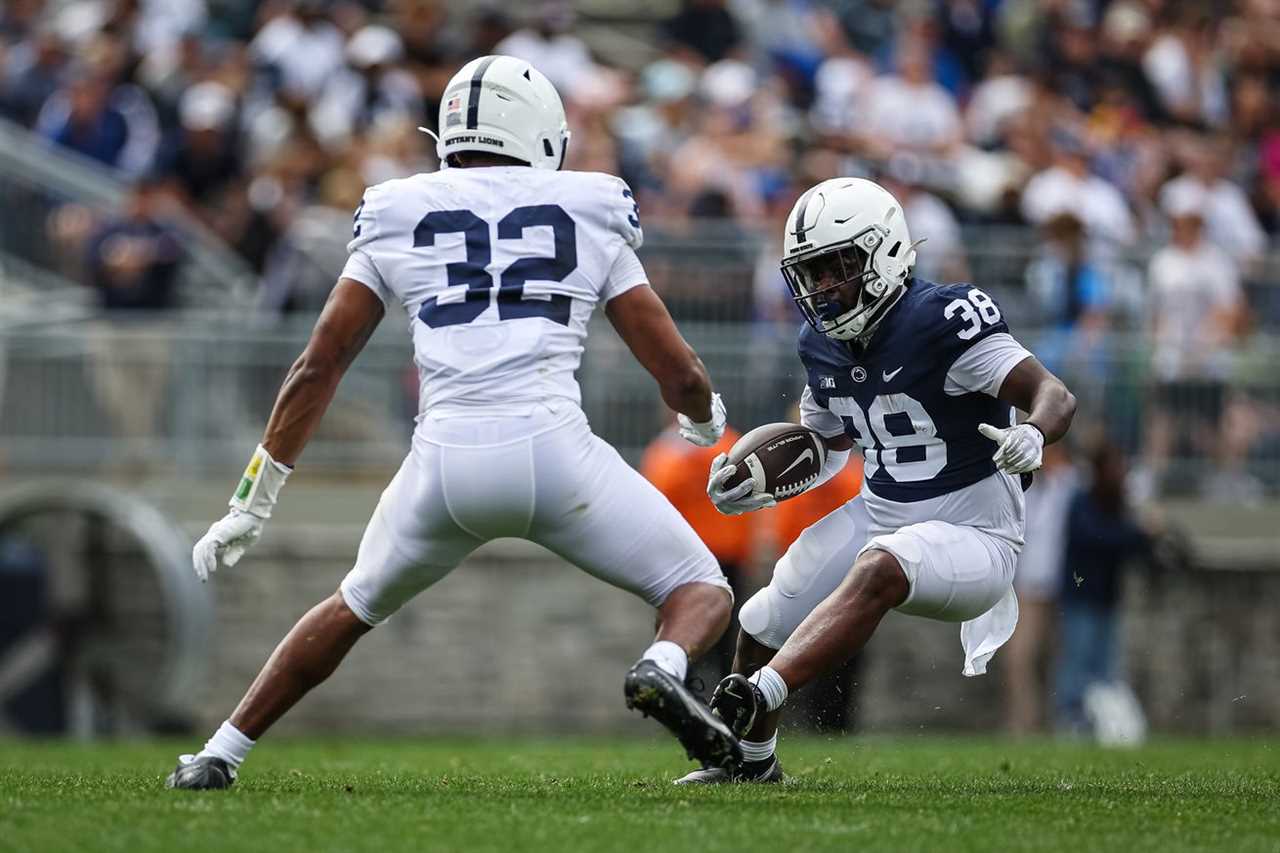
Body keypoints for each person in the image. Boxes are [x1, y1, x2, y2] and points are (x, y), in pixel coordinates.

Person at [166, 56, 740, 790]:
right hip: (556, 453)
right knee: (701, 589)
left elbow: (319, 364)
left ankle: (219, 753)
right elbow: (677, 368)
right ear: (539, 133)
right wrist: (704, 416)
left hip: (444, 462)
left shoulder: (399, 207)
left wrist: (253, 498)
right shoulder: (589, 203)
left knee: (350, 606)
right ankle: (661, 668)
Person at [678, 178, 1076, 783]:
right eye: (810, 274)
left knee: (880, 564)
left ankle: (765, 691)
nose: (822, 289)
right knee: (762, 620)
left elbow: (1053, 393)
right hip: (882, 510)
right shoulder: (819, 342)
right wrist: (756, 477)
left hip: (976, 528)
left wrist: (1035, 434)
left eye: (835, 269)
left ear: (884, 253)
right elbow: (830, 439)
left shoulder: (941, 318)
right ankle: (750, 762)